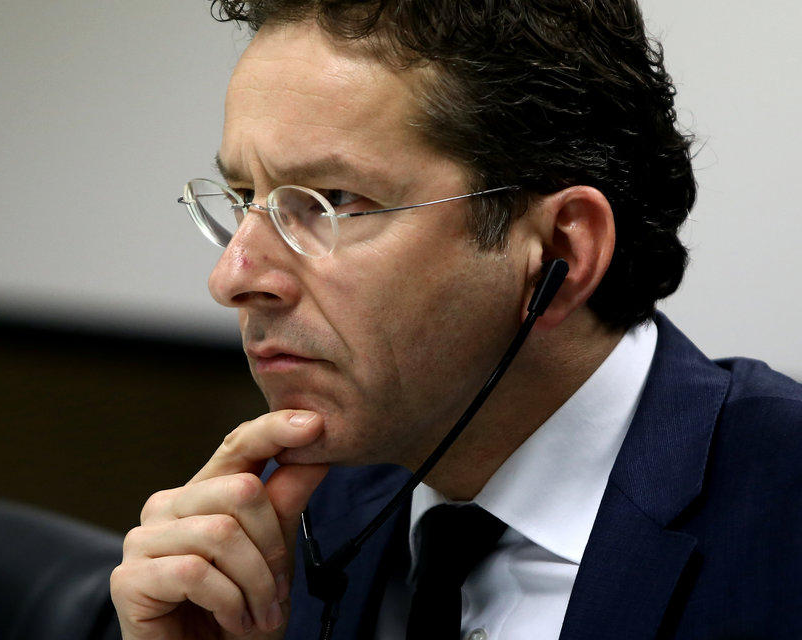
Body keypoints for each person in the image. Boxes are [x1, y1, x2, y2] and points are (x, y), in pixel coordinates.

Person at [110, 1, 802, 638]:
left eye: (333, 199)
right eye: (242, 196)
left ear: (560, 252)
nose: (232, 279)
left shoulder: (782, 518)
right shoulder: (280, 526)